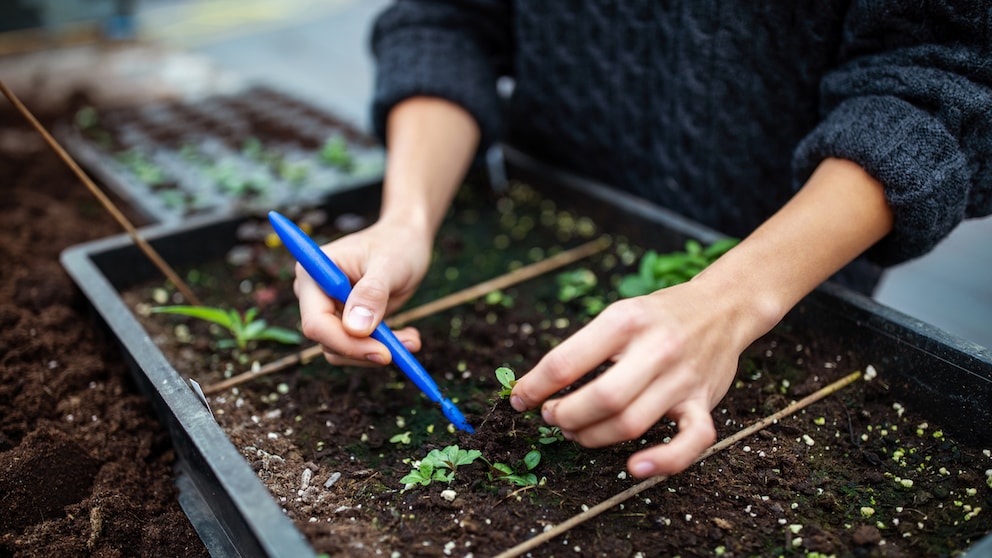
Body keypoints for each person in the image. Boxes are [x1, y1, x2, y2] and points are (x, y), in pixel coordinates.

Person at [294, 1, 992, 479]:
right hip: (539, 212)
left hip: (796, 273)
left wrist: (729, 301)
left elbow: (942, 81)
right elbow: (447, 20)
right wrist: (408, 219)